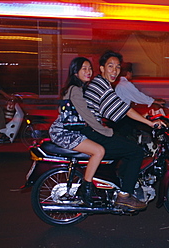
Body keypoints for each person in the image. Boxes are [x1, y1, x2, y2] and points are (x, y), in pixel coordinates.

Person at [84, 50, 161, 211]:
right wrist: (150, 123)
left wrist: (143, 115)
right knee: (136, 152)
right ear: (102, 68)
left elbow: (114, 109)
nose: (114, 70)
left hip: (92, 129)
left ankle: (116, 182)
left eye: (118, 67)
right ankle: (124, 195)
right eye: (110, 66)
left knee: (122, 142)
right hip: (91, 132)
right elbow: (124, 110)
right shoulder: (102, 85)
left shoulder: (100, 83)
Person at [49, 57, 112, 207]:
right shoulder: (76, 89)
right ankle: (86, 189)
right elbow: (86, 114)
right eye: (84, 68)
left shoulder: (75, 88)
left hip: (67, 130)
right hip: (64, 133)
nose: (88, 71)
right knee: (98, 151)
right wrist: (104, 130)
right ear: (75, 72)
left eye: (90, 68)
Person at [114, 62, 165, 139]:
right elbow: (138, 96)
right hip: (123, 118)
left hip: (120, 117)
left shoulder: (120, 84)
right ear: (128, 73)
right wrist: (154, 101)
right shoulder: (125, 84)